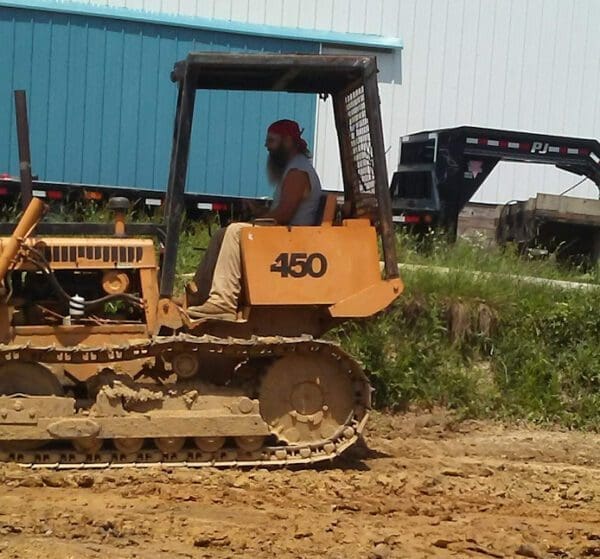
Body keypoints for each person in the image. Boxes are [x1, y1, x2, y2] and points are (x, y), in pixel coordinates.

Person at [186, 119, 323, 320]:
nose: (266, 145)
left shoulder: (297, 172)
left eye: (271, 141)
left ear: (287, 141)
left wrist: (258, 219)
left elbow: (284, 215)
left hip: (293, 241)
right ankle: (199, 296)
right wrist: (258, 211)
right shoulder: (294, 169)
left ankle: (223, 302)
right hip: (287, 235)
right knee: (222, 233)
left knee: (235, 232)